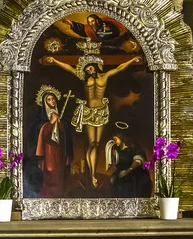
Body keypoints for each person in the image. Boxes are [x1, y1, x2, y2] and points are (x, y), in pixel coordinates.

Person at [46, 54, 140, 188]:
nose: (90, 72)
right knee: (91, 143)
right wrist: (55, 60)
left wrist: (131, 60)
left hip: (101, 112)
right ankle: (91, 175)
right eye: (87, 70)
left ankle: (93, 173)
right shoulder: (83, 79)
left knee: (97, 143)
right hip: (89, 112)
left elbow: (119, 68)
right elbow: (69, 68)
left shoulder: (105, 76)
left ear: (95, 68)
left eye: (91, 69)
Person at [31, 86, 74, 198]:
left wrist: (60, 123)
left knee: (60, 173)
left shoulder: (62, 117)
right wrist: (50, 123)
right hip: (48, 151)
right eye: (49, 99)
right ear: (45, 102)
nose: (52, 101)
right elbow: (40, 134)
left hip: (59, 150)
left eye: (53, 99)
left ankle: (60, 195)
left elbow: (67, 133)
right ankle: (50, 196)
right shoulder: (41, 119)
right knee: (50, 171)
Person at [106, 132, 151, 198]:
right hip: (123, 172)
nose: (115, 142)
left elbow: (138, 161)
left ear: (121, 137)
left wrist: (128, 170)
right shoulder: (117, 150)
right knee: (113, 179)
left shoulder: (133, 147)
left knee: (128, 184)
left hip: (135, 172)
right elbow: (117, 164)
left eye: (116, 139)